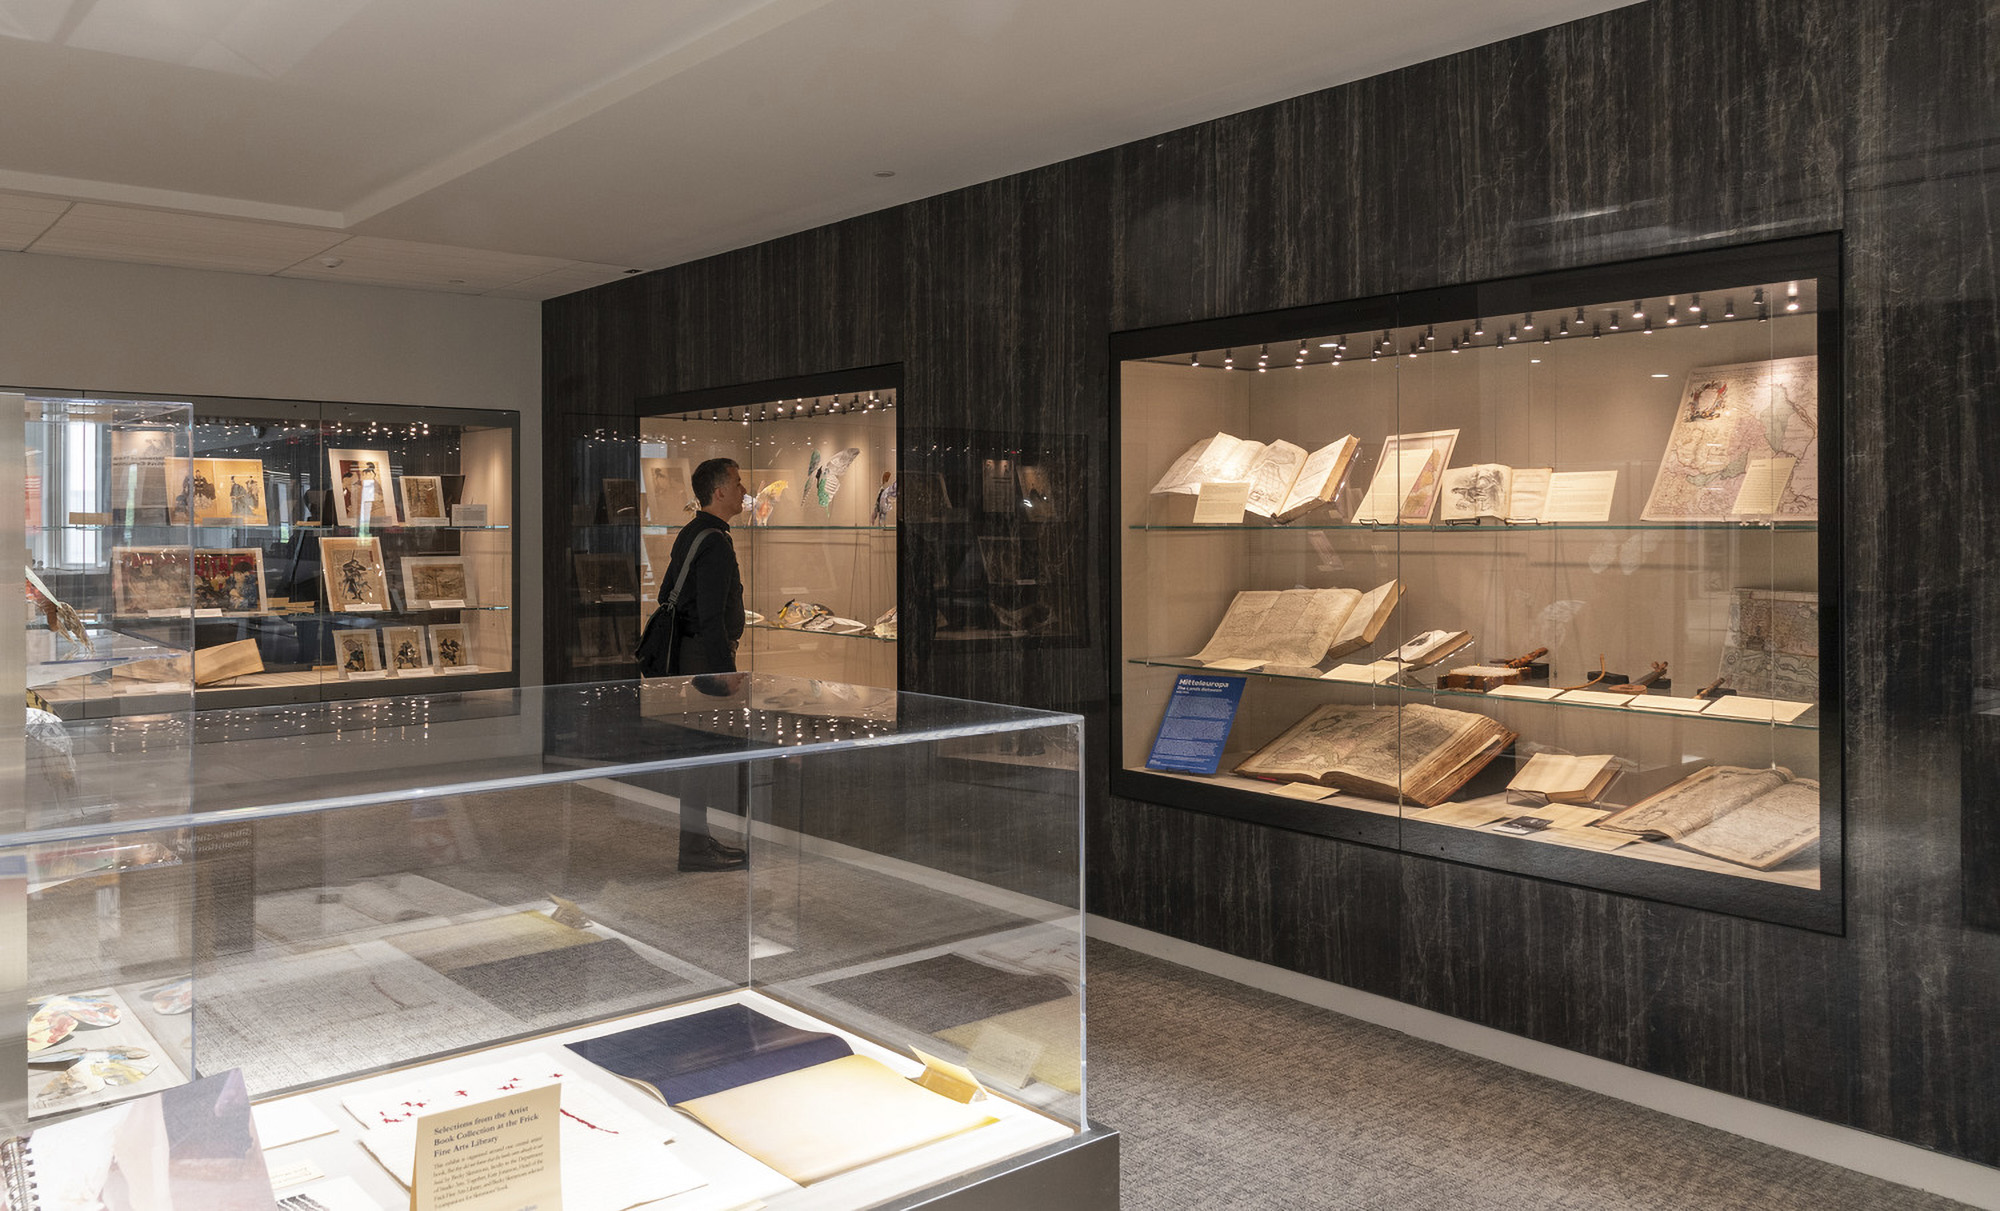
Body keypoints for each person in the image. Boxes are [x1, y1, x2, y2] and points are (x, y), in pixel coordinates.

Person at [660, 456, 750, 872]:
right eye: (737, 483)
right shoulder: (713, 540)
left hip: (688, 656)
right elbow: (712, 617)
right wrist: (724, 673)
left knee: (696, 755)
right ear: (718, 492)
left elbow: (669, 592)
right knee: (698, 757)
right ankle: (695, 849)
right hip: (703, 661)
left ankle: (697, 841)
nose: (743, 490)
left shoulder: (693, 532)